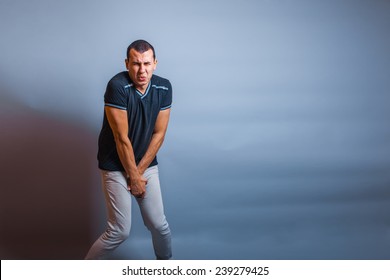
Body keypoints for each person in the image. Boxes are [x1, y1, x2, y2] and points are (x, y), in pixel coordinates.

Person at [85, 40, 172, 260]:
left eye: (146, 63)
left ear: (155, 63)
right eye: (135, 64)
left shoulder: (164, 87)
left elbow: (159, 134)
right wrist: (132, 176)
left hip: (145, 164)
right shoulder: (117, 86)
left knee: (159, 225)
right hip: (114, 164)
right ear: (127, 63)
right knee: (119, 231)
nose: (141, 70)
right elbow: (120, 138)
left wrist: (139, 173)